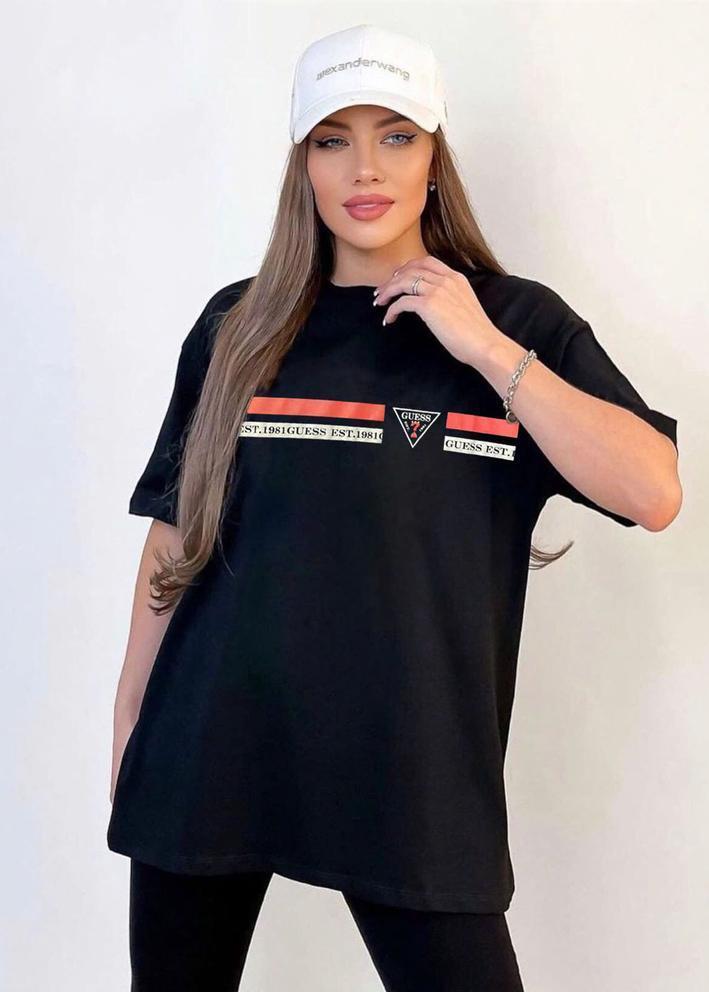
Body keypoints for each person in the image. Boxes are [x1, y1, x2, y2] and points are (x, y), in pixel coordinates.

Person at [107, 23, 682, 992]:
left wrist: (483, 347)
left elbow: (652, 491)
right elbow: (175, 540)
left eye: (396, 135)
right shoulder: (236, 326)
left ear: (433, 157)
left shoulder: (516, 321)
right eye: (333, 139)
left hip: (415, 778)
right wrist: (129, 730)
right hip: (204, 758)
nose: (364, 168)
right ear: (302, 164)